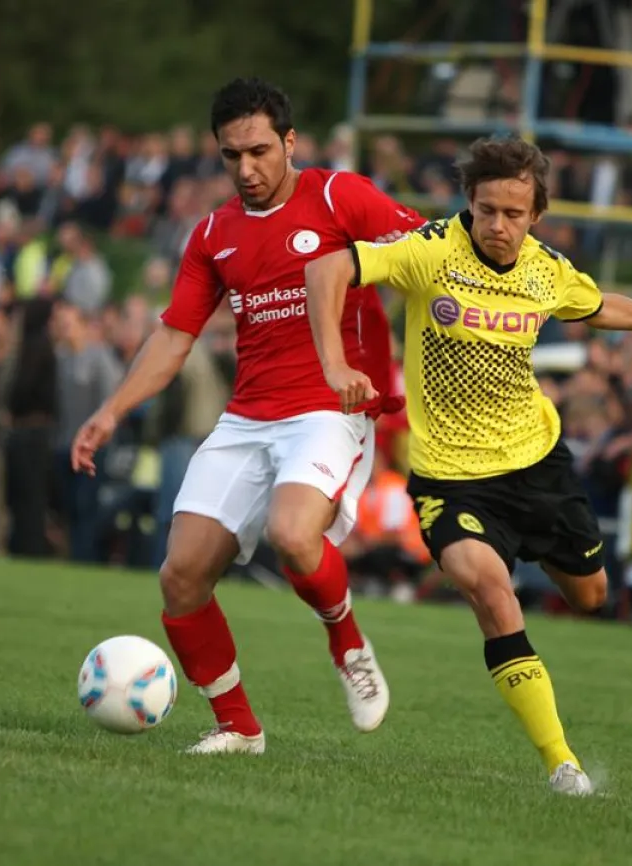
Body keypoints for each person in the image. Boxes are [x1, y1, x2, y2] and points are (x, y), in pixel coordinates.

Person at [303, 136, 632, 796]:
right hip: (449, 475)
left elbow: (599, 308)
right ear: (469, 205)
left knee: (590, 595)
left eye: (513, 213)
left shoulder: (545, 269)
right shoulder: (430, 252)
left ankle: (546, 570)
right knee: (490, 589)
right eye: (486, 210)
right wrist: (336, 364)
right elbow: (328, 268)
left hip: (537, 467)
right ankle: (563, 764)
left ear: (536, 215)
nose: (498, 225)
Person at [71, 78, 423, 755]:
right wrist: (111, 410)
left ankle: (347, 644)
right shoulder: (212, 233)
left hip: (330, 406)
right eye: (231, 156)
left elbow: (425, 256)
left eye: (260, 151)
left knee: (294, 535)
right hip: (247, 418)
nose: (247, 169)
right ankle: (238, 727)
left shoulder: (337, 196)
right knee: (180, 578)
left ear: (290, 142)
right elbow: (175, 334)